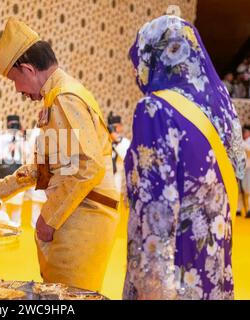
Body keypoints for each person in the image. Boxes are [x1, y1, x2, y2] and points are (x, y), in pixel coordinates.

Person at [0, 17, 119, 292]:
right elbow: (46, 166)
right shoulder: (56, 97)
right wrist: (2, 186)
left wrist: (49, 217)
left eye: (14, 79)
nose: (17, 90)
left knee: (69, 296)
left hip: (84, 214)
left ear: (27, 69)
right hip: (78, 211)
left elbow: (87, 167)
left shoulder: (65, 98)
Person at [123, 15, 245, 300]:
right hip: (213, 270)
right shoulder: (222, 109)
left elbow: (157, 212)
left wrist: (152, 289)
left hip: (172, 277)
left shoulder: (154, 109)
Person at [0, 115, 25, 225]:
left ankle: (15, 228)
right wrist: (8, 148)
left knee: (17, 206)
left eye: (16, 124)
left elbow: (28, 156)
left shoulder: (22, 140)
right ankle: (2, 228)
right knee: (2, 204)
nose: (14, 127)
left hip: (18, 176)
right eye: (12, 124)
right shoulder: (0, 138)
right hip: (2, 174)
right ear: (7, 124)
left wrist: (21, 142)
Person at [107, 112, 130, 194]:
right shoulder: (105, 140)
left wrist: (116, 140)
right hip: (105, 177)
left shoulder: (125, 142)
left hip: (116, 176)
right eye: (113, 127)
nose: (115, 129)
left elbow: (127, 157)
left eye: (116, 127)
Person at [238, 124, 250, 218]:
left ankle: (249, 209)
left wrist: (243, 145)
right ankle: (238, 209)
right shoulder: (241, 141)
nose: (244, 133)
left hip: (249, 168)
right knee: (240, 190)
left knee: (249, 189)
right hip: (241, 168)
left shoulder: (247, 142)